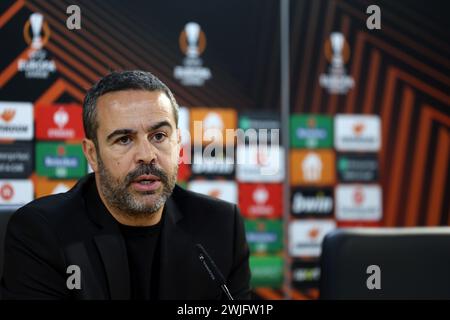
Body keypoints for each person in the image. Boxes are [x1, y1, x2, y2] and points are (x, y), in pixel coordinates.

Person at [0, 70, 251, 300]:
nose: (147, 154)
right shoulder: (42, 233)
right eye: (124, 139)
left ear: (178, 144)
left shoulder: (221, 225)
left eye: (159, 136)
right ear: (92, 154)